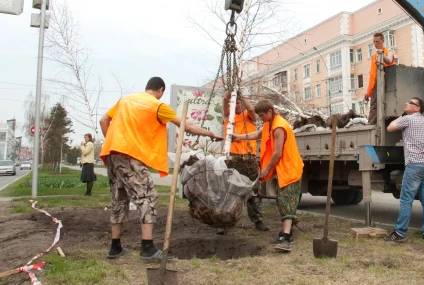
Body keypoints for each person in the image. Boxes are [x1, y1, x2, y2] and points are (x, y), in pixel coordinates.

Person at [99, 77, 223, 260]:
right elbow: (186, 126)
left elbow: (103, 121)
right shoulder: (157, 105)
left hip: (111, 153)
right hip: (130, 155)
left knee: (119, 198)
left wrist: (114, 143)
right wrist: (211, 134)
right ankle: (147, 248)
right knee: (147, 197)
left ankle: (115, 247)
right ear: (161, 90)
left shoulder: (125, 100)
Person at [231, 100, 303, 252]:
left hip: (290, 169)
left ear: (270, 111)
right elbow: (258, 134)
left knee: (286, 202)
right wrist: (238, 137)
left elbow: (277, 153)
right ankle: (288, 231)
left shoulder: (279, 127)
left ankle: (286, 236)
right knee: (284, 201)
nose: (261, 118)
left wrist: (266, 169)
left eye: (262, 115)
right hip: (283, 169)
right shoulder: (269, 123)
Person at [384, 97, 424, 242]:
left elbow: (390, 127)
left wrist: (403, 115)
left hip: (414, 165)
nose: (406, 103)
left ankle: (400, 233)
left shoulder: (408, 120)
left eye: (410, 103)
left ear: (417, 108)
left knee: (406, 199)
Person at [222, 90, 268, 232]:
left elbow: (251, 109)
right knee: (229, 191)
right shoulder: (228, 118)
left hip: (249, 158)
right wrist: (229, 94)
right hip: (232, 157)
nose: (236, 106)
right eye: (233, 104)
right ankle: (224, 222)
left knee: (254, 190)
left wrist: (241, 95)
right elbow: (224, 102)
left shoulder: (249, 116)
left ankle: (257, 220)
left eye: (238, 103)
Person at [365, 32, 396, 125]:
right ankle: (371, 124)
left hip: (385, 83)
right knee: (374, 106)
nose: (375, 44)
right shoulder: (374, 55)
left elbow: (390, 60)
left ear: (383, 40)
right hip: (375, 84)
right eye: (374, 42)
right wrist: (368, 90)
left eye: (377, 41)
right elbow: (372, 74)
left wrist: (382, 55)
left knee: (378, 106)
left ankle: (371, 125)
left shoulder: (388, 52)